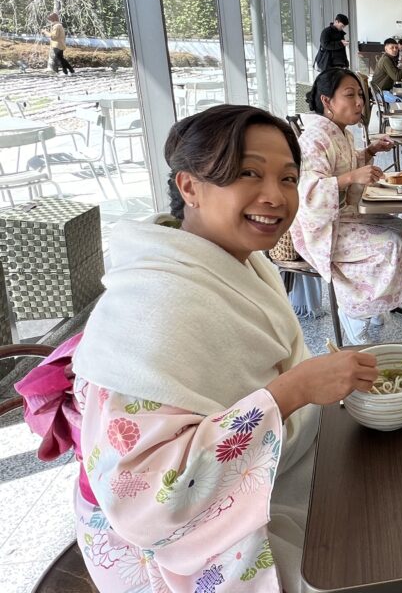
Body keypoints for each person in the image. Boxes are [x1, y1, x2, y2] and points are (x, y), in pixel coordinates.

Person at [71, 104, 380, 593]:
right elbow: (145, 497)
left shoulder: (236, 262)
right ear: (189, 186)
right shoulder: (153, 307)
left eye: (288, 178)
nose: (274, 197)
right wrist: (290, 391)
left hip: (259, 473)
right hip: (175, 545)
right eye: (248, 174)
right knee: (365, 551)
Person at [291, 68, 402, 343]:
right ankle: (353, 313)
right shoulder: (313, 138)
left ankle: (374, 305)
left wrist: (370, 152)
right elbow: (307, 191)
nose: (359, 102)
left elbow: (345, 162)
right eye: (349, 95)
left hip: (342, 215)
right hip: (321, 227)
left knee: (401, 228)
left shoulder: (339, 133)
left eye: (360, 95)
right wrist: (352, 177)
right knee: (389, 243)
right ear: (327, 101)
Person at [370, 37, 402, 103]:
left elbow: (397, 73)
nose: (395, 50)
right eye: (392, 48)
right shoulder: (386, 60)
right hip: (379, 92)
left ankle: (389, 111)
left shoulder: (390, 58)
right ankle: (389, 112)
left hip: (385, 90)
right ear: (386, 49)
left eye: (396, 47)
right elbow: (396, 77)